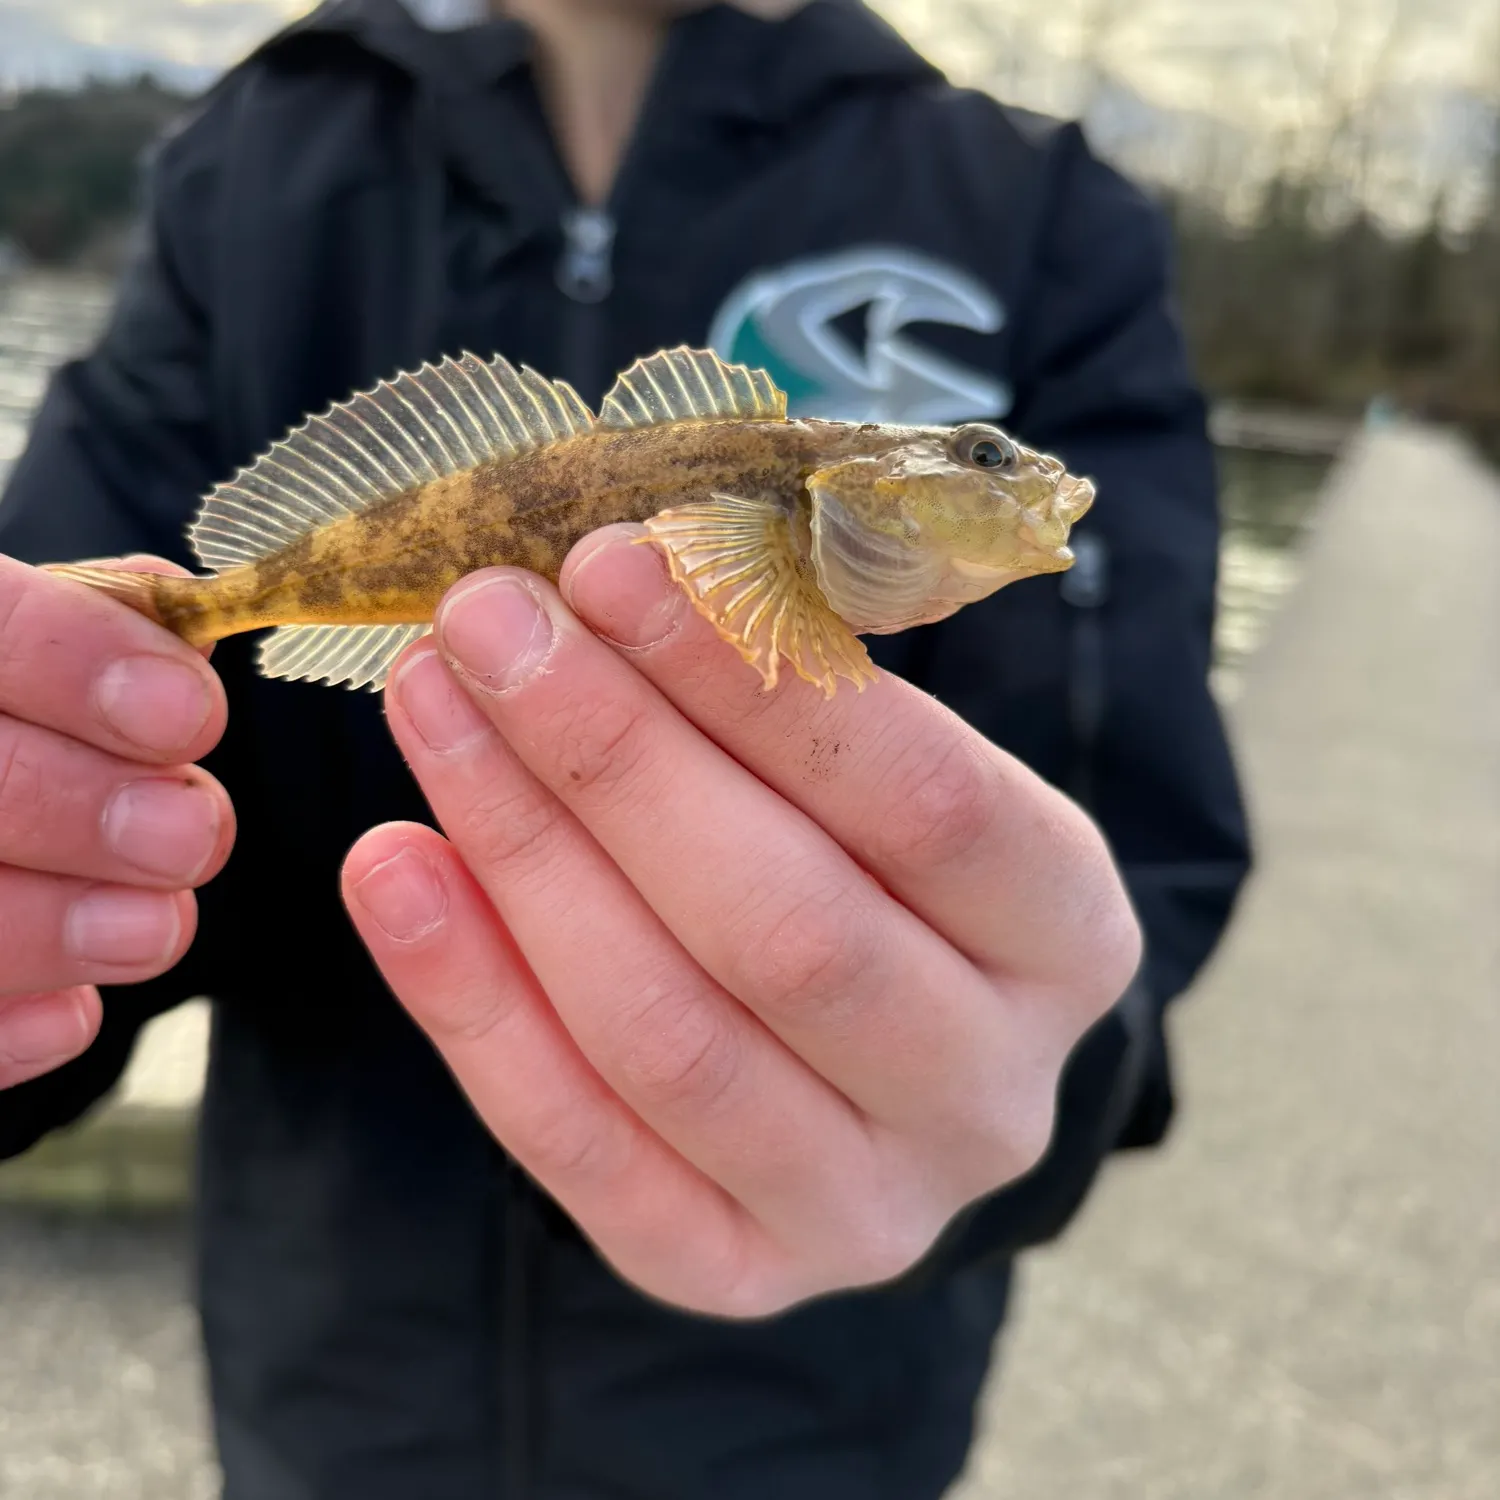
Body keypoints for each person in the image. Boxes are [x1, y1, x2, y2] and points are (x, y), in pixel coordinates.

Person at [0, 0, 1250, 1494]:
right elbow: (87, 819)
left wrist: (1046, 1078)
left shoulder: (1048, 218)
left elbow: (1148, 864)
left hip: (817, 1416)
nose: (1024, 484)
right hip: (333, 1388)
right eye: (985, 458)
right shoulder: (249, 171)